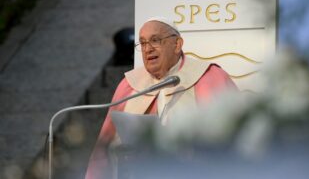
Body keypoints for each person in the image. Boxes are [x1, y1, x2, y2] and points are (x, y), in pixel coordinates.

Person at [85, 17, 237, 179]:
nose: (147, 49)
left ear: (177, 44)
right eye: (142, 43)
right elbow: (104, 149)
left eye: (155, 40)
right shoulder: (129, 85)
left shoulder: (209, 77)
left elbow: (233, 139)